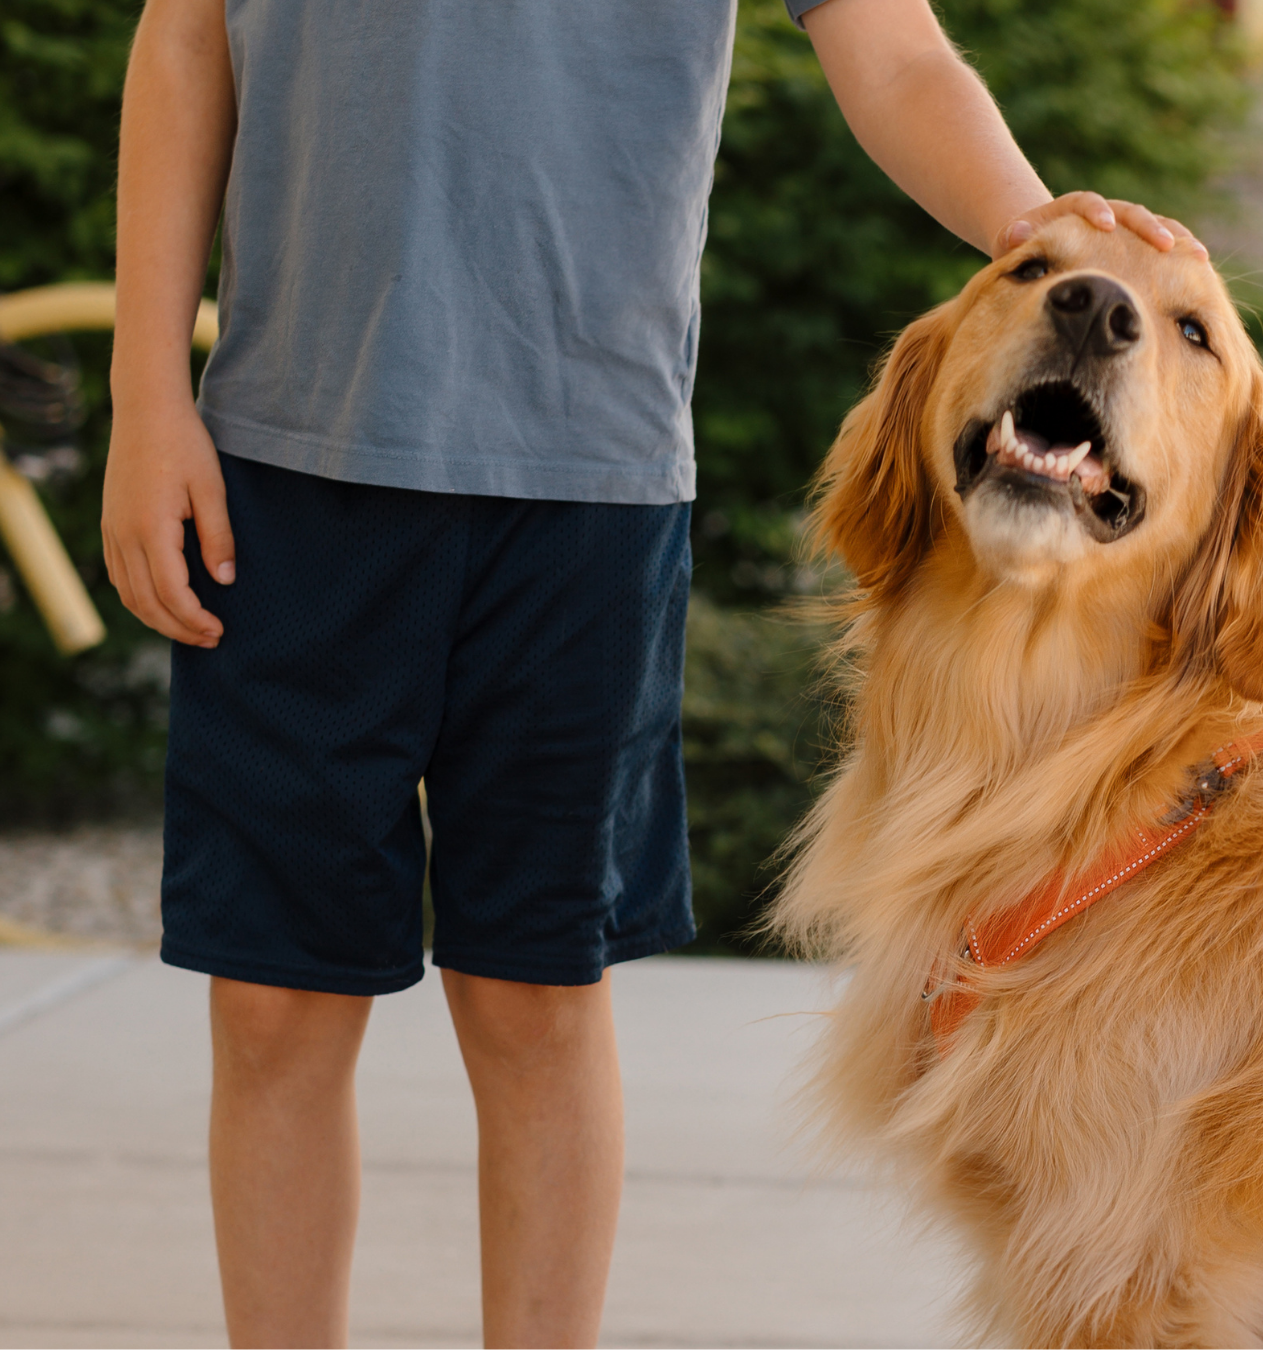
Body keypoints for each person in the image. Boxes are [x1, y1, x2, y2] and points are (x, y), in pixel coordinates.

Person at [103, 0, 1202, 1344]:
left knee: (535, 996)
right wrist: (146, 395)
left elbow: (898, 51)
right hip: (286, 472)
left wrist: (1040, 233)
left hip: (585, 494)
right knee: (272, 1008)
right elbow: (183, 35)